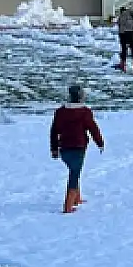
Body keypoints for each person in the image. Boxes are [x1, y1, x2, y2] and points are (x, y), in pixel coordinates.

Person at [50, 83, 105, 213]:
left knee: (74, 169)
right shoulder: (85, 112)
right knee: (74, 173)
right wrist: (100, 142)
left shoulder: (60, 112)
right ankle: (68, 206)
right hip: (79, 147)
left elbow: (54, 131)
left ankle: (76, 198)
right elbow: (93, 128)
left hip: (64, 147)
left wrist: (54, 148)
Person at [116, 5, 133, 72]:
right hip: (131, 33)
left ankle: (122, 66)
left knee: (124, 50)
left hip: (123, 34)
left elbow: (119, 25)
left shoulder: (120, 17)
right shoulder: (130, 14)